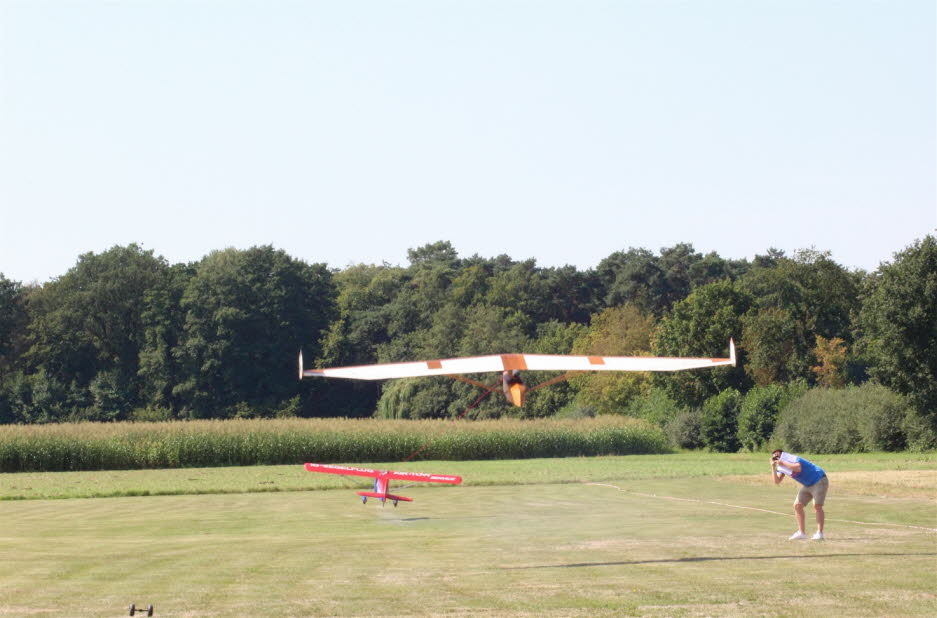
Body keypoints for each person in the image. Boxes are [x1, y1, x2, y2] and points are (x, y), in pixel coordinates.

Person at [770, 449, 829, 540]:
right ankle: (802, 533)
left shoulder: (792, 458)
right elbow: (777, 481)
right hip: (808, 484)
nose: (777, 458)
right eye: (774, 457)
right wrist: (773, 467)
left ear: (783, 454)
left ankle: (819, 533)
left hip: (819, 479)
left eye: (778, 455)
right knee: (797, 505)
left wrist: (783, 463)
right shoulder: (781, 466)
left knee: (817, 505)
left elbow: (798, 468)